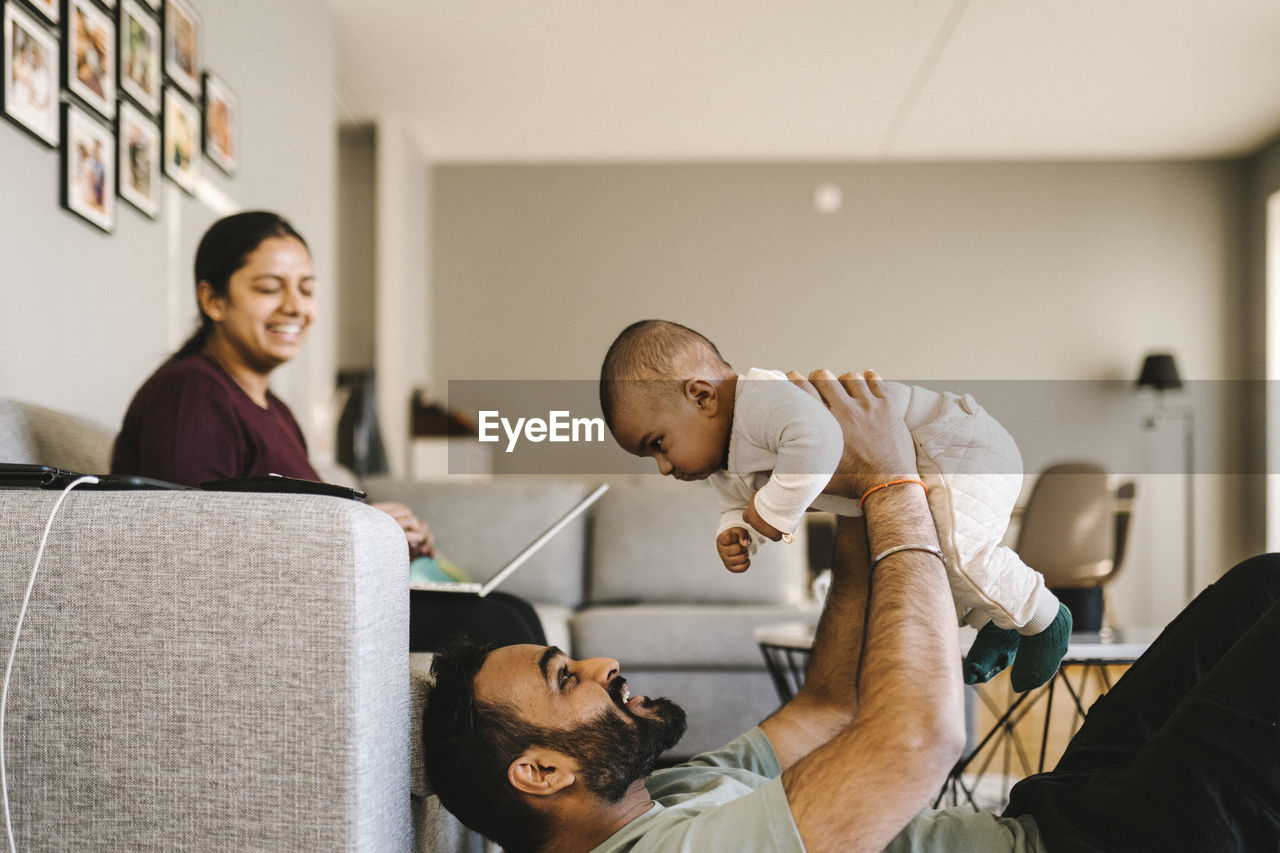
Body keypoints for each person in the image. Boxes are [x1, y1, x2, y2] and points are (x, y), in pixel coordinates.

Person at [424, 369, 1280, 853]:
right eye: (564, 676)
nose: (603, 662)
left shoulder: (665, 794)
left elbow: (830, 704)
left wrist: (847, 501)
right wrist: (893, 483)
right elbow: (916, 738)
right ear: (539, 772)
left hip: (1048, 819)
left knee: (1260, 585)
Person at [112, 210, 544, 652]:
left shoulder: (275, 409)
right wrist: (361, 531)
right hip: (266, 611)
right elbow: (193, 546)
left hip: (307, 594)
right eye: (268, 288)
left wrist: (387, 539)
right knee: (495, 622)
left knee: (513, 610)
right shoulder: (191, 395)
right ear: (213, 300)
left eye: (306, 289)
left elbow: (299, 526)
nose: (296, 307)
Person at [599, 319, 1068, 691]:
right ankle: (1004, 622)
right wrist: (735, 532)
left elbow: (818, 440)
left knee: (960, 554)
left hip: (956, 443)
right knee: (928, 566)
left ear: (701, 396)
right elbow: (737, 506)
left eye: (658, 444)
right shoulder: (726, 462)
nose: (662, 467)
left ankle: (1047, 616)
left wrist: (772, 514)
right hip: (926, 461)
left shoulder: (759, 400)